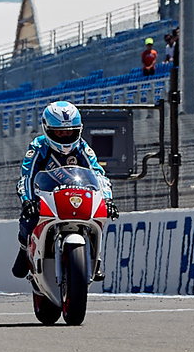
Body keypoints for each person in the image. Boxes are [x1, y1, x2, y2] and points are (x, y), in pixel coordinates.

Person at [10, 100, 115, 279]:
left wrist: (108, 199)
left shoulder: (83, 148)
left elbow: (98, 174)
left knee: (99, 216)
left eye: (69, 132)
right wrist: (27, 201)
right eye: (59, 132)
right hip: (46, 196)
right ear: (47, 129)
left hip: (77, 195)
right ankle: (23, 248)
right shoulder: (38, 147)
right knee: (29, 218)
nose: (65, 136)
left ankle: (95, 258)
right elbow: (26, 176)